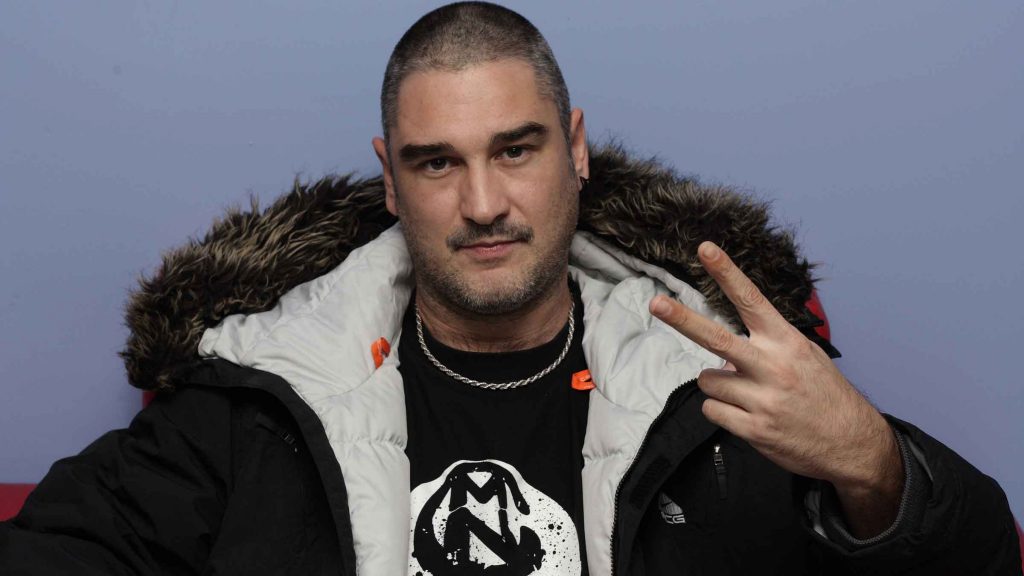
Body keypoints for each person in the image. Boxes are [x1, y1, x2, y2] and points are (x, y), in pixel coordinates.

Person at [1, 2, 1019, 575]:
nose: (483, 203)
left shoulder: (724, 380)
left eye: (516, 149)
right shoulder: (259, 391)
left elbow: (981, 560)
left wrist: (876, 468)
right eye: (437, 163)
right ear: (390, 180)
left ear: (575, 149)